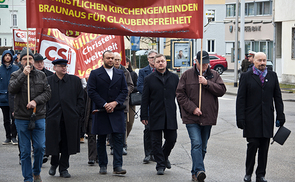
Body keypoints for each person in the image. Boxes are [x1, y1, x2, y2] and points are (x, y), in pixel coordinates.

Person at [176, 50, 226, 182]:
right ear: (196, 62)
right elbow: (180, 95)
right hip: (191, 117)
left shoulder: (214, 75)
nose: (205, 66)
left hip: (208, 116)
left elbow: (221, 91)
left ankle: (195, 172)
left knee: (203, 146)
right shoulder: (187, 75)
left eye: (207, 63)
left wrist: (207, 83)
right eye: (202, 63)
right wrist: (192, 108)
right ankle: (200, 171)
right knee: (196, 143)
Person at [236, 52, 285, 182]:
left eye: (264, 60)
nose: (262, 63)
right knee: (252, 145)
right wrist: (240, 118)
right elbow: (240, 99)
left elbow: (278, 97)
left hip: (267, 118)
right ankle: (248, 173)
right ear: (254, 61)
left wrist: (281, 115)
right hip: (251, 118)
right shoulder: (246, 76)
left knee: (264, 147)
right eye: (259, 60)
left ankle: (261, 175)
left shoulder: (272, 76)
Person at [8, 48, 51, 182]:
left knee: (39, 147)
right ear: (20, 61)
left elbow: (47, 93)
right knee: (25, 151)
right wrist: (23, 75)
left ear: (33, 60)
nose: (28, 61)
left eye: (30, 59)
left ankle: (36, 171)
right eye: (25, 59)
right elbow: (12, 89)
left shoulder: (41, 75)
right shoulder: (16, 74)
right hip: (21, 117)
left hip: (38, 116)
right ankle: (28, 178)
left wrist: (35, 101)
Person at [88, 50, 128, 175]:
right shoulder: (95, 73)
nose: (110, 60)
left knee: (118, 139)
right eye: (108, 58)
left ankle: (118, 166)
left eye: (112, 58)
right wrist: (105, 104)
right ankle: (103, 165)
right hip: (101, 110)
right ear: (103, 59)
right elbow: (91, 91)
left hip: (116, 110)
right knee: (101, 139)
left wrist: (115, 103)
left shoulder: (120, 73)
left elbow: (124, 90)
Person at [140, 54, 179, 175]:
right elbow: (145, 99)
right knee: (155, 142)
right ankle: (160, 165)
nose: (161, 63)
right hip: (155, 114)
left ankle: (164, 156)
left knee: (171, 139)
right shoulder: (149, 79)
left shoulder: (174, 77)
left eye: (162, 61)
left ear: (166, 62)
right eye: (158, 61)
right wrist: (143, 116)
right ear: (154, 64)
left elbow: (180, 96)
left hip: (170, 114)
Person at [46, 59, 84, 178]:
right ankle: (54, 163)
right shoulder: (48, 81)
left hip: (70, 118)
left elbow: (81, 99)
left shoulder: (75, 81)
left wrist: (77, 112)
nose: (63, 68)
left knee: (67, 143)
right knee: (54, 142)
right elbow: (44, 99)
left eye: (65, 66)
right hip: (53, 118)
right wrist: (48, 113)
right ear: (54, 68)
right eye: (60, 66)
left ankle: (64, 168)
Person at [137, 50, 157, 164]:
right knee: (148, 129)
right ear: (148, 59)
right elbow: (140, 86)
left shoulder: (162, 70)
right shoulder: (143, 71)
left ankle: (156, 153)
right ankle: (148, 153)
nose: (153, 59)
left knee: (158, 131)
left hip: (159, 105)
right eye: (151, 57)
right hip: (148, 104)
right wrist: (150, 93)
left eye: (155, 57)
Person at [113, 52, 134, 155]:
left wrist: (124, 92)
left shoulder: (125, 72)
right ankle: (113, 146)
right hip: (110, 102)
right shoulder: (108, 70)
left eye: (118, 59)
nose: (116, 61)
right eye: (114, 59)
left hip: (122, 102)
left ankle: (123, 146)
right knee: (111, 126)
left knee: (123, 125)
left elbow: (131, 85)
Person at [0, 49, 19, 145]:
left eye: (9, 55)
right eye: (5, 55)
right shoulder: (0, 69)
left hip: (14, 98)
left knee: (14, 118)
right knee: (6, 119)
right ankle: (7, 136)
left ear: (11, 57)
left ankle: (13, 137)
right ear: (3, 57)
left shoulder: (16, 69)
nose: (7, 57)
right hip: (3, 98)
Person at [124, 57, 138, 138]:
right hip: (119, 100)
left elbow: (137, 87)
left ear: (128, 63)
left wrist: (129, 90)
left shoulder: (133, 74)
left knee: (130, 122)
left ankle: (124, 138)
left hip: (130, 101)